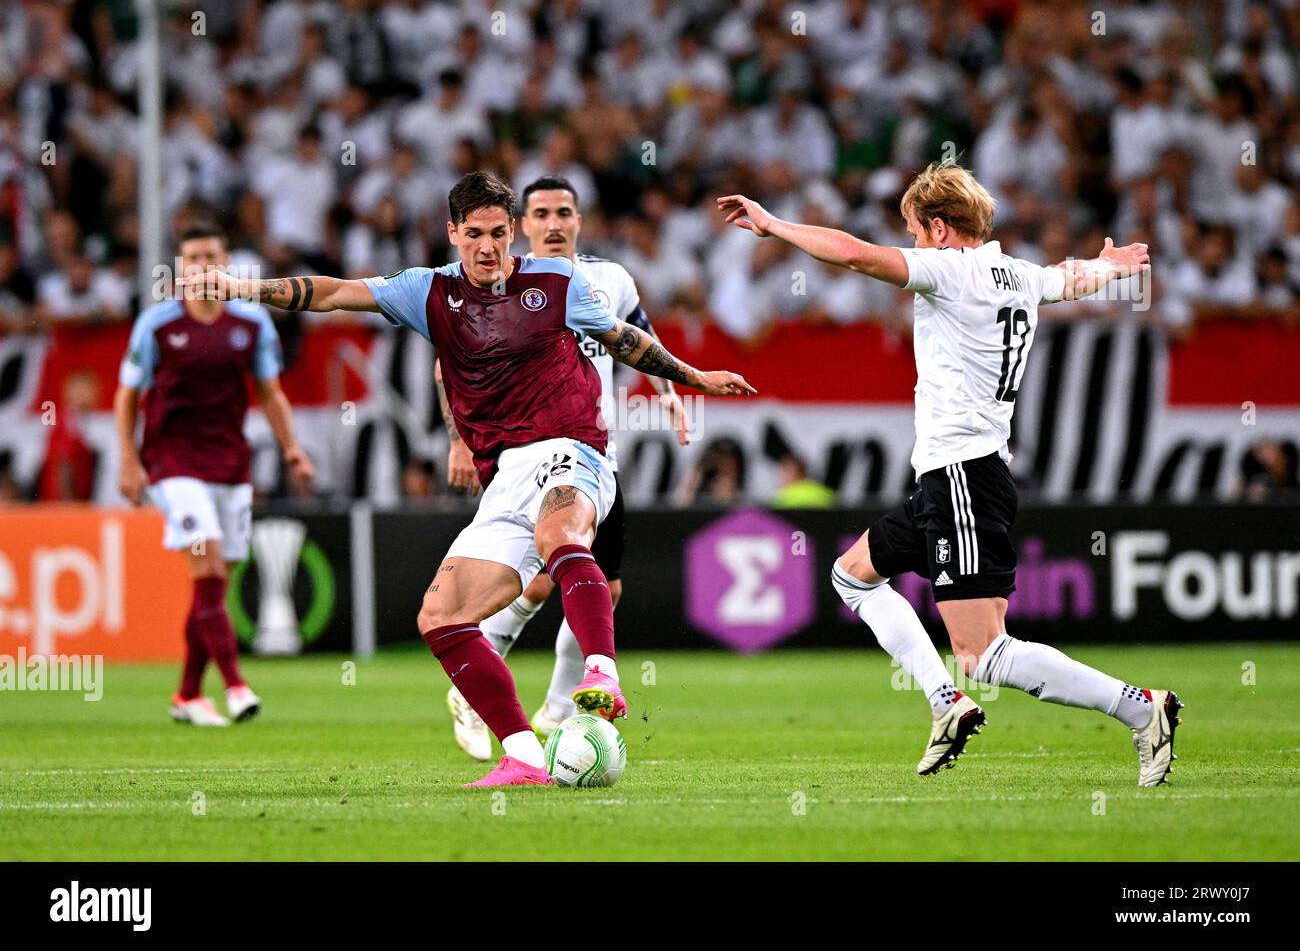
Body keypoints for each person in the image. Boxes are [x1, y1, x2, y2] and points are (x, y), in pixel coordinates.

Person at [183, 171, 754, 786]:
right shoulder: (427, 291)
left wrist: (693, 379)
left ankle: (600, 674)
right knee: (440, 616)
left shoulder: (558, 280)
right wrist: (245, 286)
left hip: (573, 450)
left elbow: (622, 340)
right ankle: (525, 756)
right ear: (453, 233)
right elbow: (331, 294)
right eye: (475, 234)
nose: (489, 248)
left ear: (514, 234)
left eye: (499, 234)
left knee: (560, 537)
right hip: (504, 474)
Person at [718, 160, 1180, 787]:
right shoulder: (1016, 274)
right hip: (953, 477)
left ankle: (1141, 707)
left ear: (938, 229)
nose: (910, 242)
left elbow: (856, 256)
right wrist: (1110, 268)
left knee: (983, 653)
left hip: (962, 476)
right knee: (851, 576)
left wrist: (775, 225)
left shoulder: (950, 270)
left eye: (913, 229)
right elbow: (1067, 278)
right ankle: (945, 703)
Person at [442, 175, 691, 761]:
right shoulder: (506, 281)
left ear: (580, 220)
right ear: (522, 225)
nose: (553, 223)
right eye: (541, 214)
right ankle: (495, 686)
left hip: (593, 455)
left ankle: (555, 709)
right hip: (529, 450)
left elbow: (637, 337)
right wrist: (457, 440)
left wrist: (671, 392)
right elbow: (448, 363)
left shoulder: (610, 280)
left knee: (607, 586)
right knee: (545, 575)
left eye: (564, 212)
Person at [115, 224, 315, 727]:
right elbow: (126, 395)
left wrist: (292, 449)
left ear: (226, 263)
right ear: (180, 269)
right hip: (173, 461)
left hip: (230, 463)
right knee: (204, 562)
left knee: (212, 584)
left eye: (210, 256)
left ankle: (186, 695)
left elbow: (270, 393)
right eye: (192, 258)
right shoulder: (157, 324)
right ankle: (235, 684)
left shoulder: (251, 324)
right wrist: (127, 459)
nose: (202, 267)